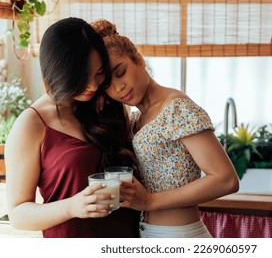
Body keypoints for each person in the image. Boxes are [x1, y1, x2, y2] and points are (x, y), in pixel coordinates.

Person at [91, 19, 240, 238]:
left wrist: (150, 201)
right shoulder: (135, 119)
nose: (118, 87)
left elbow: (226, 179)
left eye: (121, 72)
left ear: (139, 60)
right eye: (106, 85)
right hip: (150, 234)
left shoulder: (176, 108)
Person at [5, 17, 140, 238]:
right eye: (82, 77)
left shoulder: (102, 104)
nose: (93, 85)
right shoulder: (31, 124)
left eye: (98, 73)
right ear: (58, 72)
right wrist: (71, 206)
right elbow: (18, 214)